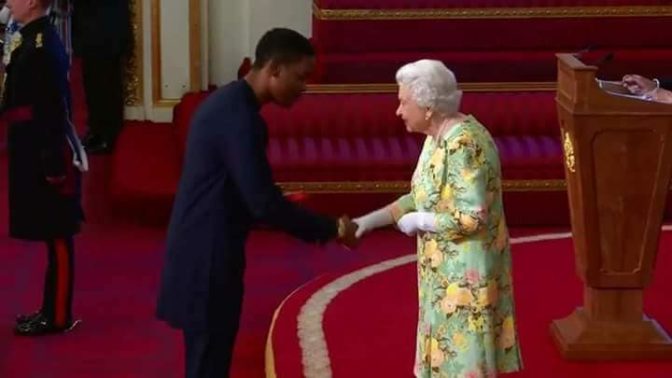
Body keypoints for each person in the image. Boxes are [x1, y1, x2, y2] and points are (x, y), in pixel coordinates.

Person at [155, 28, 358, 378]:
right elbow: (262, 203)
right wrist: (331, 228)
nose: (303, 87)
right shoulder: (241, 119)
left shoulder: (230, 103)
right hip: (208, 258)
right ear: (274, 69)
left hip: (203, 248)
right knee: (208, 364)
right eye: (300, 77)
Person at [353, 59, 522, 377]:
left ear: (428, 106)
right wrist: (369, 222)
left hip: (465, 283)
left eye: (403, 102)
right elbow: (419, 197)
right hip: (442, 278)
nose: (398, 111)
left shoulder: (465, 145)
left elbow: (473, 218)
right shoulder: (436, 138)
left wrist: (421, 221)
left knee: (462, 367)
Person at [2, 0, 87, 336]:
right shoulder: (30, 37)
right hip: (31, 147)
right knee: (51, 233)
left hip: (45, 151)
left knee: (58, 235)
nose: (8, 1)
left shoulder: (43, 45)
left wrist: (52, 164)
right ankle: (49, 309)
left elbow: (51, 110)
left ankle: (59, 315)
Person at [72, 0, 131, 154]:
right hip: (96, 27)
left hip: (104, 29)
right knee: (95, 81)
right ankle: (98, 130)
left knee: (104, 83)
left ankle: (106, 135)